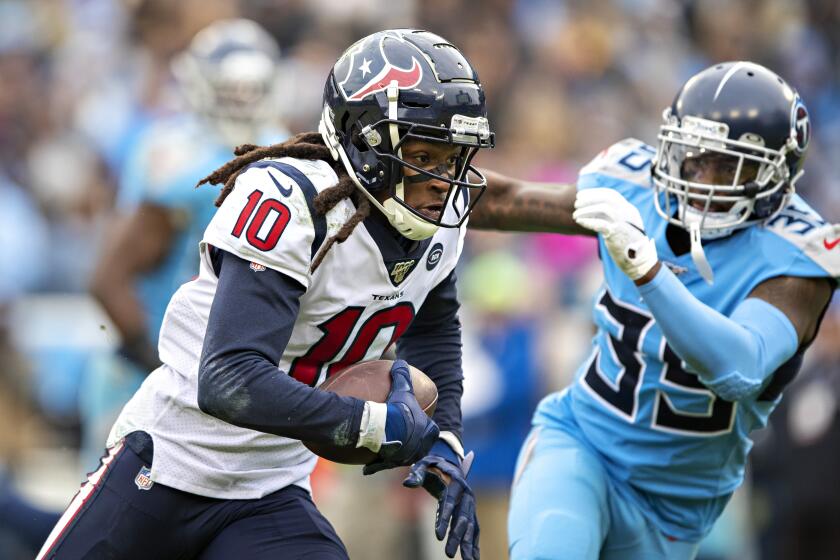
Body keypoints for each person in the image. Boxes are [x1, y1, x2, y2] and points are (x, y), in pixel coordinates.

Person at [37, 28, 575, 560]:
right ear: (366, 143)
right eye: (424, 155)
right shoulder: (291, 200)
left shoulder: (437, 222)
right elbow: (229, 378)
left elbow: (433, 330)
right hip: (171, 461)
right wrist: (373, 426)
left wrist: (445, 441)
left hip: (269, 489)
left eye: (452, 156)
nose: (442, 180)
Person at [504, 61, 838, 559]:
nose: (703, 179)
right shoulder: (636, 191)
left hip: (675, 507)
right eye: (694, 158)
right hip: (582, 444)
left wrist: (647, 269)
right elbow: (509, 199)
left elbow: (740, 368)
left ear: (777, 172)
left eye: (728, 165)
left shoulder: (797, 258)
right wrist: (392, 187)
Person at [83, 18, 288, 470]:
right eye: (230, 88)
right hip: (155, 366)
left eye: (250, 88)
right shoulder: (175, 153)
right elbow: (108, 278)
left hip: (226, 373)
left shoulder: (285, 149)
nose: (241, 100)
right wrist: (166, 368)